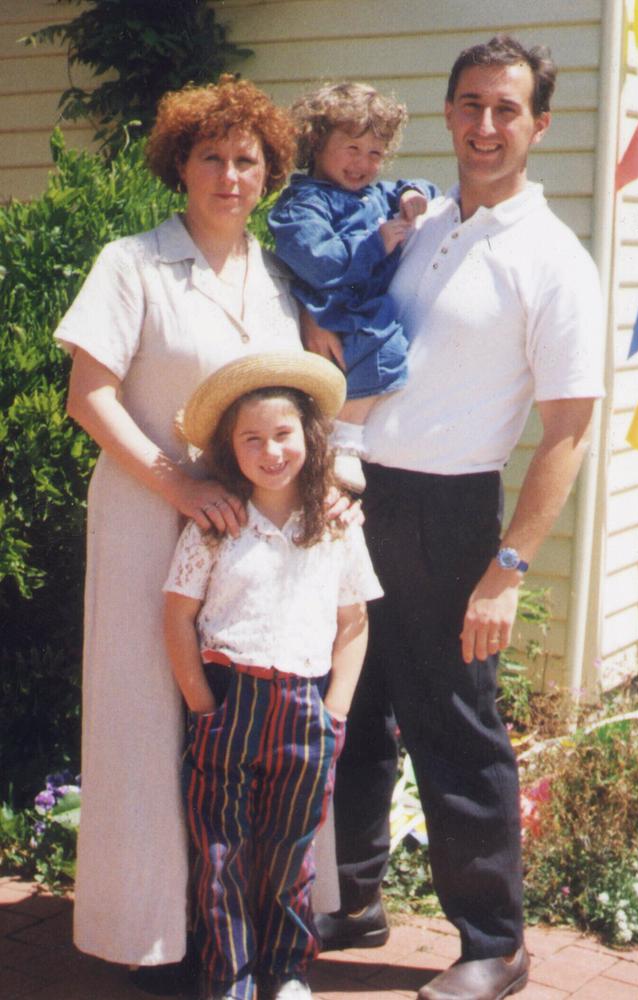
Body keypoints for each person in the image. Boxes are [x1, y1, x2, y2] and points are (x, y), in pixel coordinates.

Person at [307, 35, 605, 1000]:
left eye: (505, 110)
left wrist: (507, 568)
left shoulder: (553, 260)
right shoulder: (424, 220)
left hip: (450, 514)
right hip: (357, 491)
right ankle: (352, 898)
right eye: (470, 105)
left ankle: (494, 944)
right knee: (350, 710)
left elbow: (568, 430)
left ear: (539, 125)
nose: (485, 126)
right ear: (447, 112)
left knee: (455, 726)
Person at [54, 76, 310, 991]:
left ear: (270, 172)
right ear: (180, 164)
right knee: (143, 717)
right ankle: (146, 937)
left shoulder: (278, 274)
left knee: (230, 723)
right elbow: (90, 396)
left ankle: (228, 927)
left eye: (248, 160)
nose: (230, 175)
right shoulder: (131, 262)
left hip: (246, 536)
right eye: (212, 156)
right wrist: (177, 481)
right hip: (143, 512)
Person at [163, 351, 384, 1000]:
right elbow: (178, 619)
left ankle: (285, 971)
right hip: (229, 703)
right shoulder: (216, 525)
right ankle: (228, 976)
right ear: (231, 450)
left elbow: (354, 625)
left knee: (290, 855)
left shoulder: (336, 525)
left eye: (283, 434)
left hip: (306, 712)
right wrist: (204, 706)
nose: (270, 451)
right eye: (251, 439)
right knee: (221, 855)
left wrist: (335, 713)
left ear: (309, 437)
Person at [268, 82, 439, 493]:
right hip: (331, 305)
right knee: (379, 348)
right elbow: (318, 260)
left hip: (359, 307)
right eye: (352, 149)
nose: (363, 163)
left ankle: (337, 437)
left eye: (375, 153)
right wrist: (374, 244)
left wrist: (413, 194)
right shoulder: (305, 202)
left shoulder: (372, 195)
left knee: (383, 348)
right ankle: (342, 441)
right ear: (316, 142)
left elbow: (425, 189)